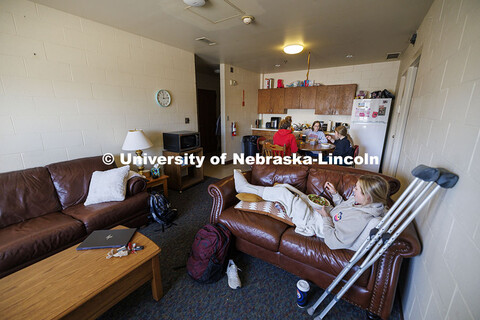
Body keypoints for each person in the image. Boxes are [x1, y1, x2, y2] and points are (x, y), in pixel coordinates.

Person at [233, 170, 389, 251]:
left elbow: (333, 242)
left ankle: (244, 188)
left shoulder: (361, 219)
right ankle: (272, 197)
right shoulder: (360, 202)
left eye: (357, 189)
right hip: (323, 212)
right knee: (286, 189)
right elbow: (342, 211)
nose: (353, 190)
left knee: (284, 194)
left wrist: (326, 216)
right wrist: (335, 194)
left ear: (368, 197)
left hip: (315, 224)